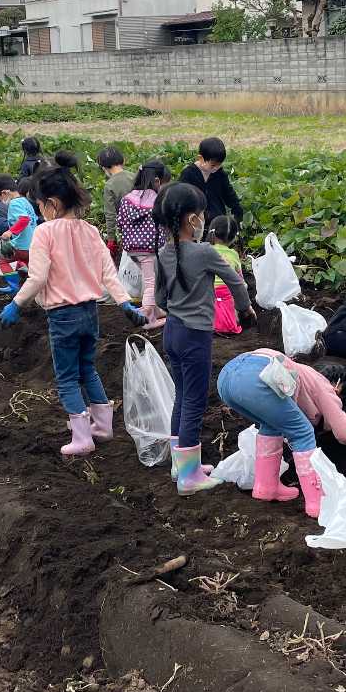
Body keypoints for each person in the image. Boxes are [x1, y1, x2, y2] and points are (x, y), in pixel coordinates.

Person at [0, 166, 142, 456]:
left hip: (62, 316)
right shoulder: (90, 231)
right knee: (87, 369)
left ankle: (81, 438)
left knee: (66, 378)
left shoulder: (45, 232)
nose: (40, 211)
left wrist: (16, 304)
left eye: (40, 205)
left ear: (52, 203)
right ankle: (102, 427)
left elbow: (37, 278)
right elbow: (108, 273)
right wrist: (124, 302)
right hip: (90, 313)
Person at [152, 183, 255, 491]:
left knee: (182, 396)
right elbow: (236, 283)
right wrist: (245, 309)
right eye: (199, 214)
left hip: (171, 332)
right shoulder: (204, 252)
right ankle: (189, 476)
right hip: (195, 335)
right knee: (195, 401)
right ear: (190, 219)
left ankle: (179, 464)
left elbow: (160, 300)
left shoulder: (163, 252)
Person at [218, 351, 346, 517]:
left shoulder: (304, 373)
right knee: (303, 432)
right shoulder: (324, 385)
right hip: (256, 376)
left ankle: (266, 487)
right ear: (338, 387)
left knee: (271, 424)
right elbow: (344, 434)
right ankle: (317, 503)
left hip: (226, 377)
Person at [118, 159, 171, 328]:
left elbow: (120, 221)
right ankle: (149, 318)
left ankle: (154, 309)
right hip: (149, 249)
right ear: (156, 181)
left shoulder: (128, 198)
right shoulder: (157, 199)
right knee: (151, 283)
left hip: (132, 250)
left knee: (149, 279)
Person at [179, 136, 245, 227]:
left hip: (217, 223)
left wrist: (237, 211)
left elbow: (229, 195)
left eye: (219, 165)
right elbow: (182, 199)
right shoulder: (188, 174)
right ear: (201, 159)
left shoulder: (220, 174)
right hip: (196, 224)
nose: (216, 168)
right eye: (213, 165)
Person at [208, 214, 246, 336]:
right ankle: (233, 320)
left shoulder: (205, 250)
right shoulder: (233, 254)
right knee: (238, 289)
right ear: (234, 237)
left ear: (212, 232)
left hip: (208, 292)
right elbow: (239, 279)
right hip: (228, 293)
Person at [97, 146, 134, 246]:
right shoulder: (134, 176)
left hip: (128, 231)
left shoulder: (109, 185)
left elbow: (110, 215)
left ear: (103, 167)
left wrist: (111, 240)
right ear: (123, 161)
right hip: (146, 226)